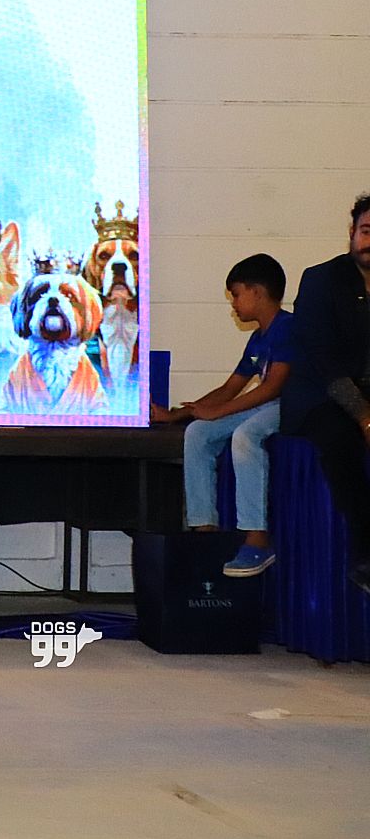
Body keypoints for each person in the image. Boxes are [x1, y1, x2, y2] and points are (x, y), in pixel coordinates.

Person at [158, 254, 293, 576]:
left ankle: (257, 537)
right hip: (268, 405)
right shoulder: (257, 338)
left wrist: (218, 411)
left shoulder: (289, 327)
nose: (233, 303)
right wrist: (181, 415)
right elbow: (230, 388)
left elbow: (273, 387)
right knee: (198, 432)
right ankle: (204, 529)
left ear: (257, 292)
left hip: (293, 406)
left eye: (236, 294)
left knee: (246, 434)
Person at [281, 195, 370, 595]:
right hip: (321, 396)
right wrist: (364, 417)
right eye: (366, 231)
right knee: (340, 438)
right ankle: (365, 554)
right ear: (351, 233)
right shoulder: (321, 280)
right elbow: (325, 361)